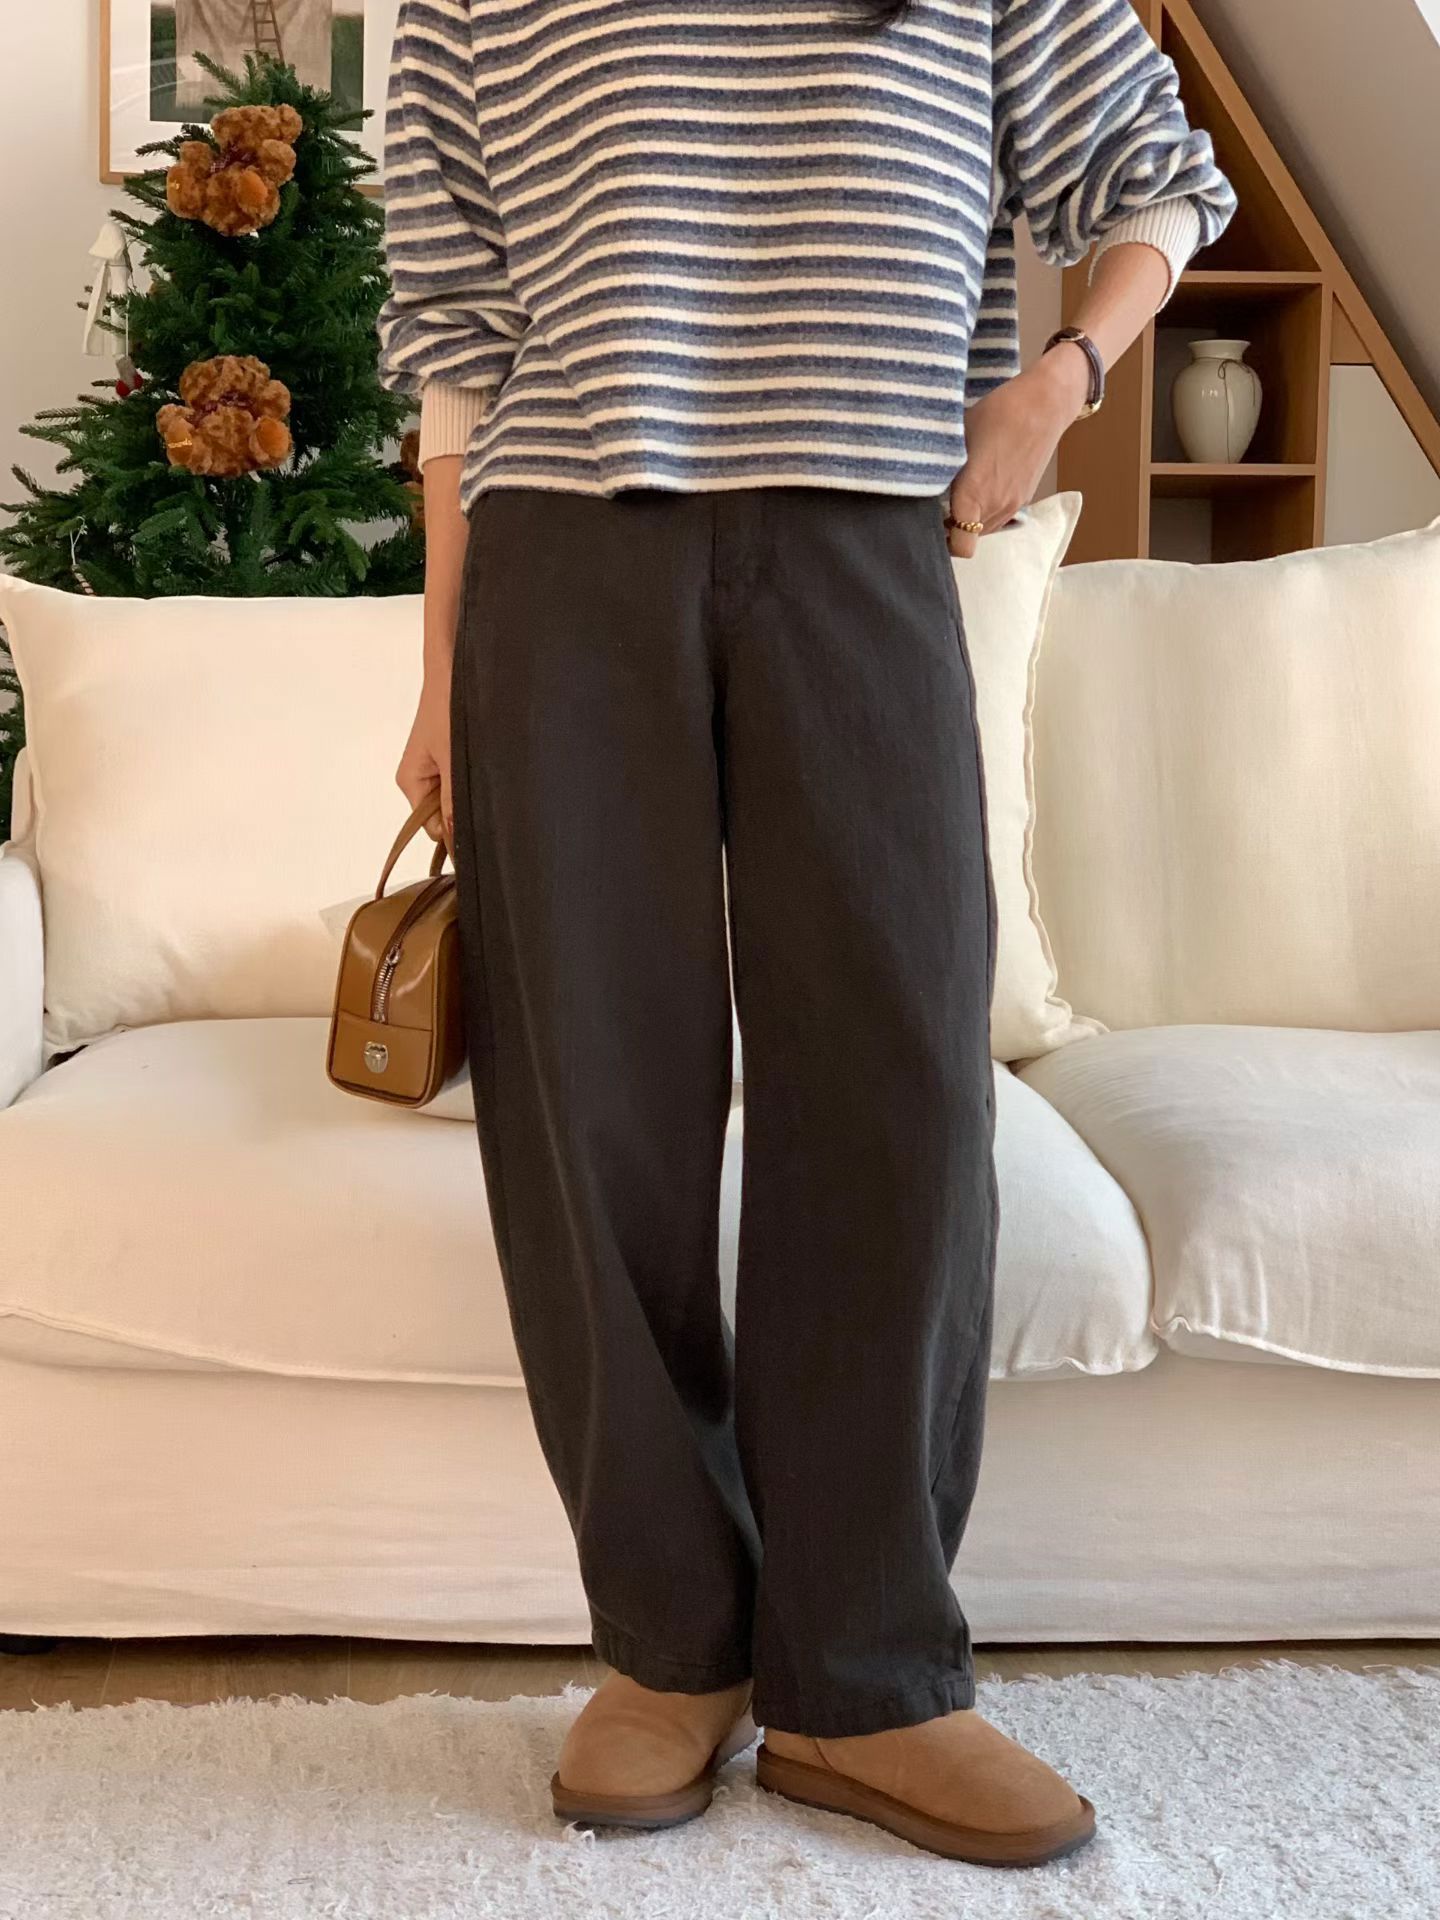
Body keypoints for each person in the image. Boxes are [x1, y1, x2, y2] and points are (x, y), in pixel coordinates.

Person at [379, 0, 1233, 1869]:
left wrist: (1056, 383)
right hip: (566, 552)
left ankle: (868, 1678)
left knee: (897, 1085)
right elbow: (453, 340)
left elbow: (1161, 179)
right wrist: (440, 663)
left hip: (865, 537)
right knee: (591, 1104)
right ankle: (668, 1647)